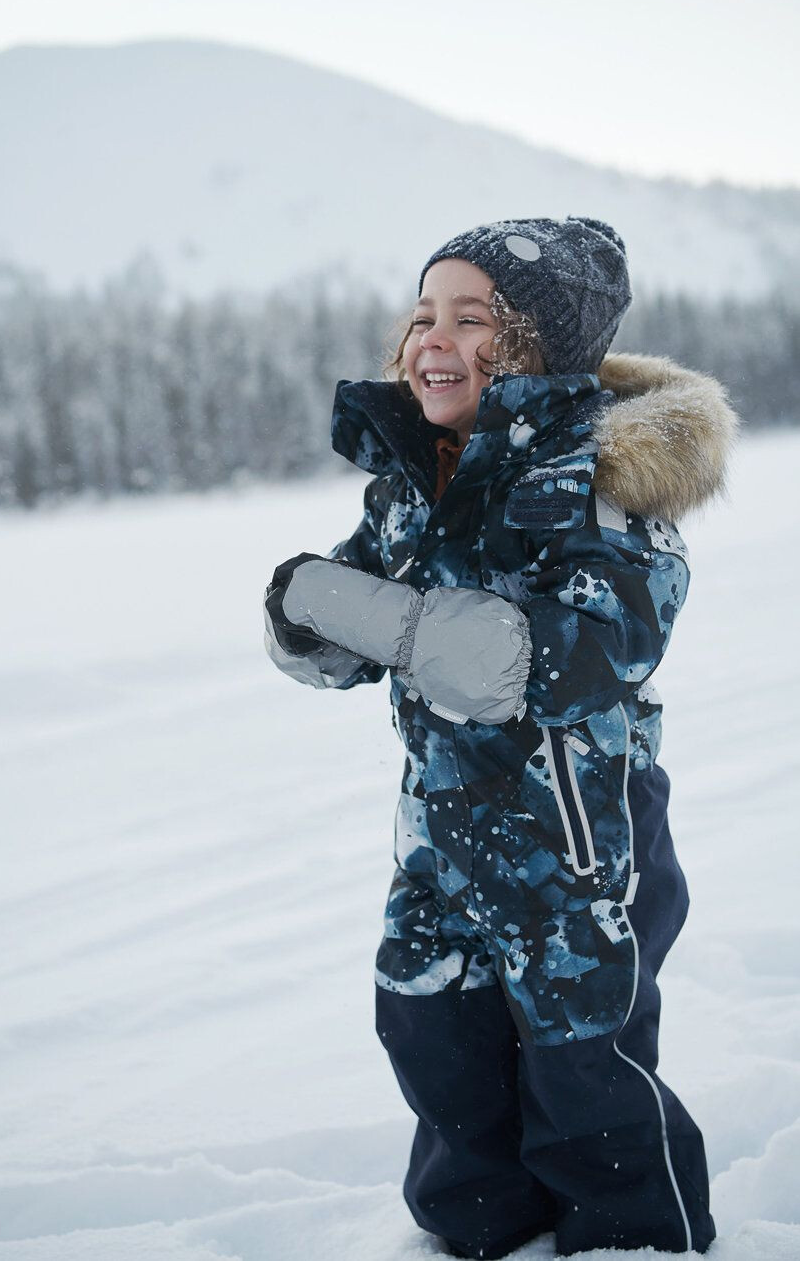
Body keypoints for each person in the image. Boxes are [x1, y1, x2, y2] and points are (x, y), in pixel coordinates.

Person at [263, 217, 738, 1258]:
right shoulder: (414, 479)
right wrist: (302, 615)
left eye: (472, 317)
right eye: (424, 312)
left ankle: (631, 1240)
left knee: (582, 1068)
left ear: (536, 347)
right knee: (434, 1036)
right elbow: (339, 636)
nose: (432, 336)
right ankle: (479, 1238)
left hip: (579, 839)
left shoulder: (605, 490)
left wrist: (351, 607)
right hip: (441, 828)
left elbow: (536, 660)